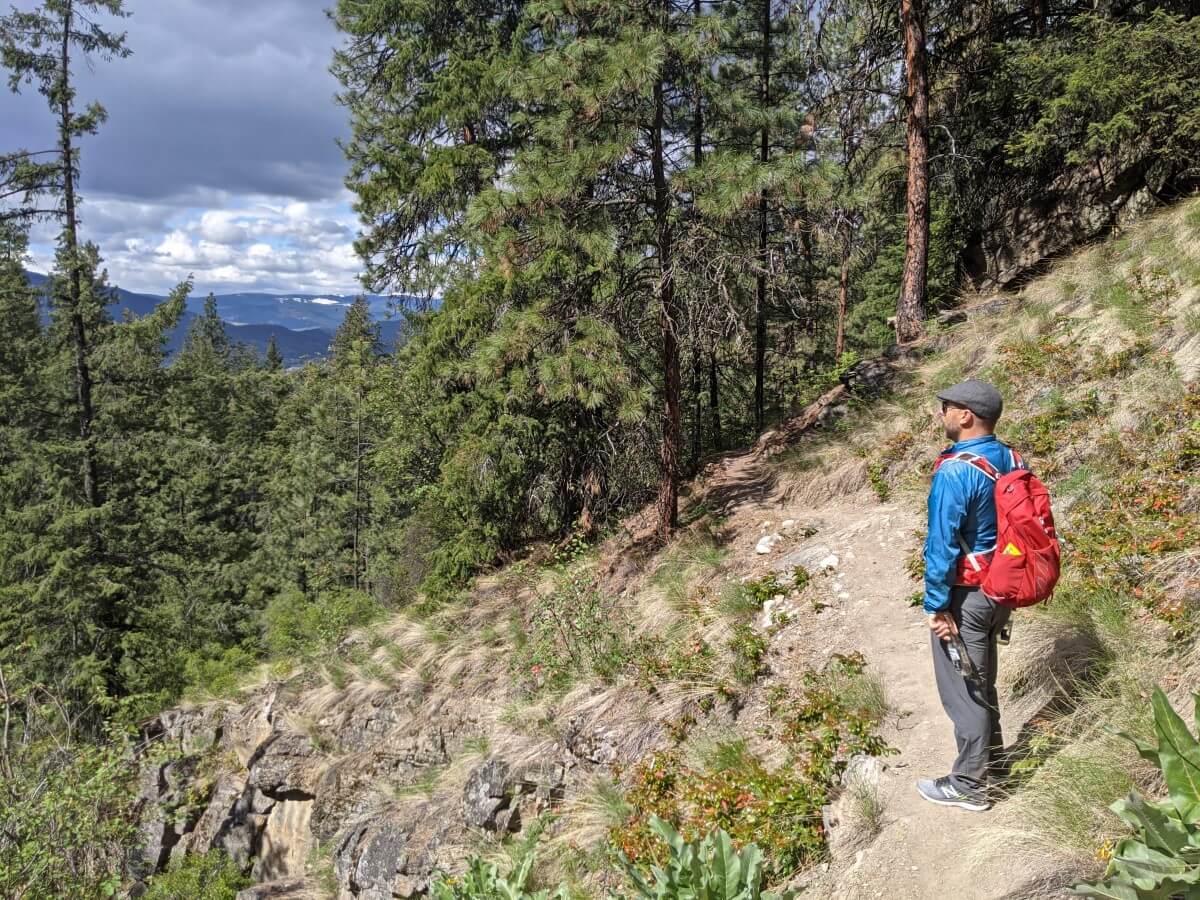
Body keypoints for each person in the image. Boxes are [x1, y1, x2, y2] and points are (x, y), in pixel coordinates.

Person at [916, 379, 1020, 812]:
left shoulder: (958, 469)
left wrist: (936, 605)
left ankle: (971, 786)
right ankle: (993, 765)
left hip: (967, 595)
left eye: (946, 406)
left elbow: (941, 545)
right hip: (1001, 589)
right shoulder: (1009, 457)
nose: (940, 414)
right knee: (980, 679)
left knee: (965, 690)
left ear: (966, 416)